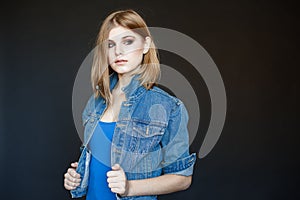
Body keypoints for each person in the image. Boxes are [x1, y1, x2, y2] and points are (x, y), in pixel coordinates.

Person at [64, 9, 196, 200]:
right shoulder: (95, 103)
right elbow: (95, 164)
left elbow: (182, 178)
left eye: (128, 41)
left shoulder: (168, 106)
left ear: (145, 45)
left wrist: (130, 187)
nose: (118, 51)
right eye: (111, 44)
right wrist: (76, 179)